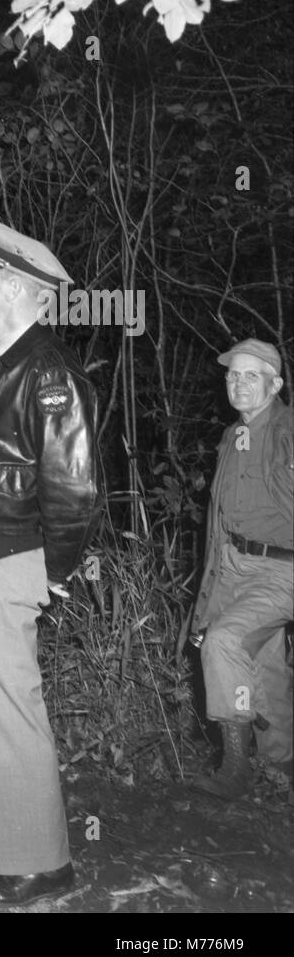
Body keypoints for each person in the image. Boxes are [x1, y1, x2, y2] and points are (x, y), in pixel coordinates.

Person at [0, 221, 103, 904]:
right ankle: (1, 825)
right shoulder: (2, 356)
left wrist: (53, 572)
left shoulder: (47, 370)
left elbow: (75, 488)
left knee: (8, 701)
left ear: (12, 289)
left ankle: (41, 862)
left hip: (6, 553)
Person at [191, 338, 293, 798]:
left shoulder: (289, 431)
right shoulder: (232, 436)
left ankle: (236, 767)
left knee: (225, 642)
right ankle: (280, 767)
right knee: (263, 667)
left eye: (251, 375)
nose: (238, 383)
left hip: (281, 569)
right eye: (233, 375)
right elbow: (218, 519)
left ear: (275, 383)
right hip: (232, 563)